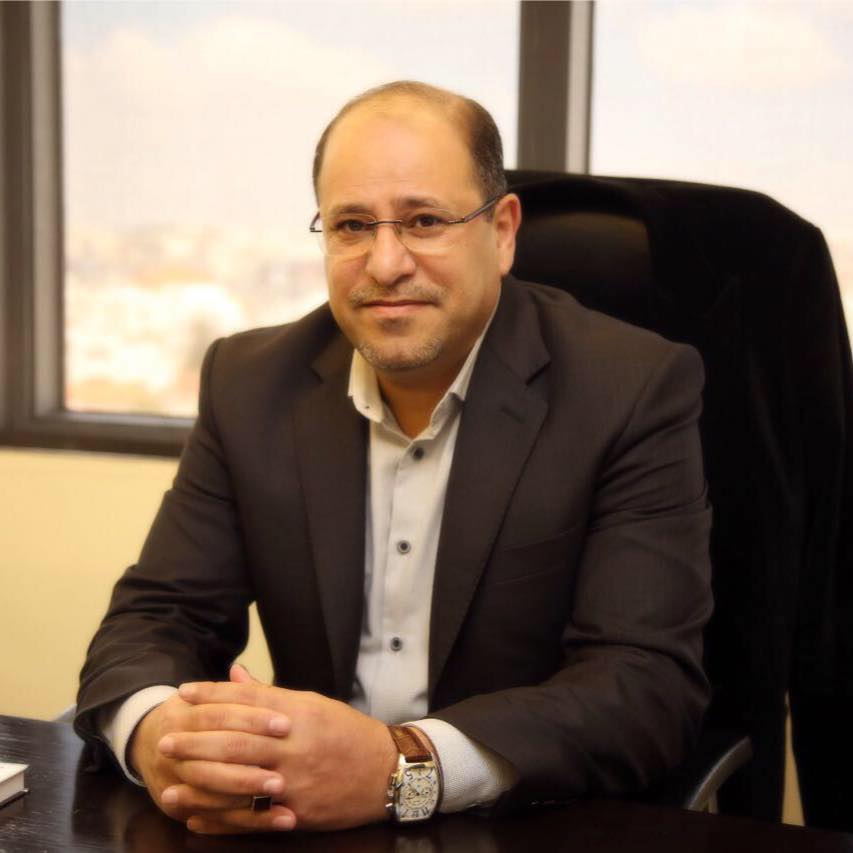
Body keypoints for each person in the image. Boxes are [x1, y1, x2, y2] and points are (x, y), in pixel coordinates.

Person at [75, 81, 713, 836]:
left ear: (503, 231)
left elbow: (642, 685)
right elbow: (157, 616)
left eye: (424, 221)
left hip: (528, 823)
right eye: (352, 225)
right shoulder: (251, 384)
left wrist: (401, 764)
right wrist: (162, 737)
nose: (384, 263)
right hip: (303, 820)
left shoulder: (629, 388)